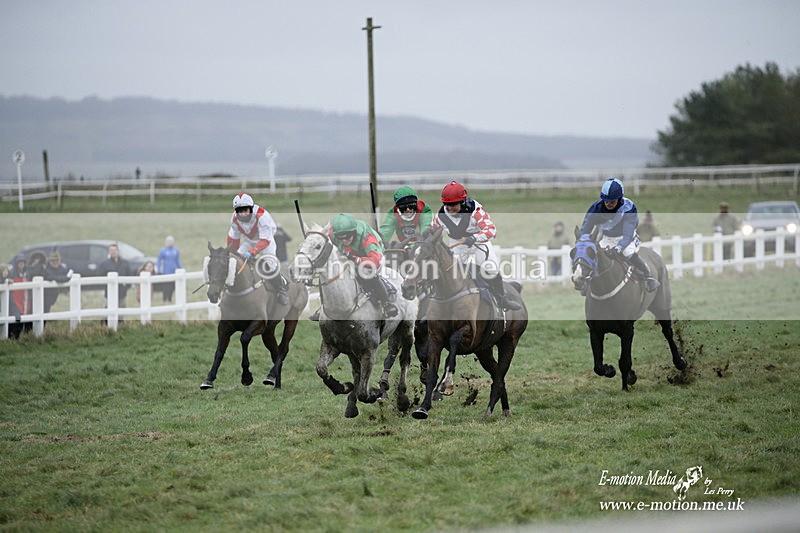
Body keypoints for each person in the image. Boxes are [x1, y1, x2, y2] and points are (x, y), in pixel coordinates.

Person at [431, 180, 523, 311]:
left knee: (491, 270)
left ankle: (502, 299)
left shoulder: (476, 211)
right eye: (447, 205)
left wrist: (474, 238)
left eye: (453, 205)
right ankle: (438, 305)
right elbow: (432, 231)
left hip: (479, 243)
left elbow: (491, 230)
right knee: (448, 273)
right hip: (457, 245)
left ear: (462, 202)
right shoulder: (440, 216)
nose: (450, 209)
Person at [578, 177, 660, 293]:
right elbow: (585, 228)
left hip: (626, 237)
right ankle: (587, 280)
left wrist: (618, 248)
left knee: (628, 252)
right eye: (606, 201)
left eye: (612, 201)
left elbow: (627, 235)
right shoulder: (595, 208)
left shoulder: (628, 208)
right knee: (596, 254)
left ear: (619, 199)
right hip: (607, 237)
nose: (608, 204)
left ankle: (648, 276)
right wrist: (583, 242)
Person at [324, 213, 399, 319]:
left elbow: (375, 261)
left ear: (354, 232)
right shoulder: (332, 233)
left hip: (371, 255)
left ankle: (386, 303)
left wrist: (358, 260)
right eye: (341, 238)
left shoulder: (367, 238)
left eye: (347, 237)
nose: (344, 241)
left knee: (365, 272)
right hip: (347, 254)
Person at [227, 192, 288, 305]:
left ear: (251, 208)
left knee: (270, 264)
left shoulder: (262, 216)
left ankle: (281, 289)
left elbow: (264, 240)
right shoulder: (234, 219)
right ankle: (230, 291)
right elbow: (233, 239)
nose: (243, 214)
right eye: (240, 211)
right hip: (249, 240)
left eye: (245, 210)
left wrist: (253, 251)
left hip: (266, 240)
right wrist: (230, 254)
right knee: (235, 262)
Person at [97, 243, 131, 310]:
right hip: (110, 292)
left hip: (122, 292)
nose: (113, 252)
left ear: (118, 251)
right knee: (108, 309)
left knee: (122, 309)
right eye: (111, 250)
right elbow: (100, 277)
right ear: (109, 252)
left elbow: (129, 275)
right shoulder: (104, 264)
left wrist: (126, 286)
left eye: (115, 250)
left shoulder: (125, 263)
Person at [42, 249, 73, 314]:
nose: (55, 262)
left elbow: (69, 272)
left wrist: (67, 277)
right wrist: (65, 278)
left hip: (52, 297)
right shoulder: (45, 269)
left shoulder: (61, 268)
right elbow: (50, 277)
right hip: (43, 296)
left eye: (57, 260)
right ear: (49, 261)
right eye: (53, 261)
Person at [8, 255, 32, 338]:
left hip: (25, 300)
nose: (21, 264)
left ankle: (21, 338)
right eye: (19, 262)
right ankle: (14, 338)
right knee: (17, 320)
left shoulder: (27, 274)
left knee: (24, 320)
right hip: (16, 300)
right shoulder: (12, 274)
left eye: (23, 262)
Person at [156, 235, 182, 302]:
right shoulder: (163, 251)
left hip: (173, 272)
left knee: (172, 287)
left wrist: (181, 268)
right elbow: (159, 261)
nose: (170, 242)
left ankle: (169, 299)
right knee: (166, 287)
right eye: (169, 241)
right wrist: (159, 269)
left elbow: (177, 260)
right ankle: (165, 299)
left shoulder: (175, 250)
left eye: (171, 241)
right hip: (166, 272)